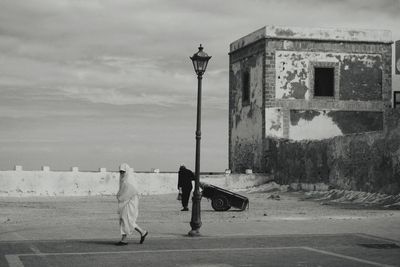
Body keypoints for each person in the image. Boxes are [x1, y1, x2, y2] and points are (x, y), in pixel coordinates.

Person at [116, 163, 148, 246]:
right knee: (128, 220)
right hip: (126, 203)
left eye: (123, 171)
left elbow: (127, 193)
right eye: (120, 171)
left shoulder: (129, 181)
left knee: (126, 220)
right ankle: (142, 232)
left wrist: (119, 196)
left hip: (130, 203)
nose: (121, 173)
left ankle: (124, 239)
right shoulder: (124, 180)